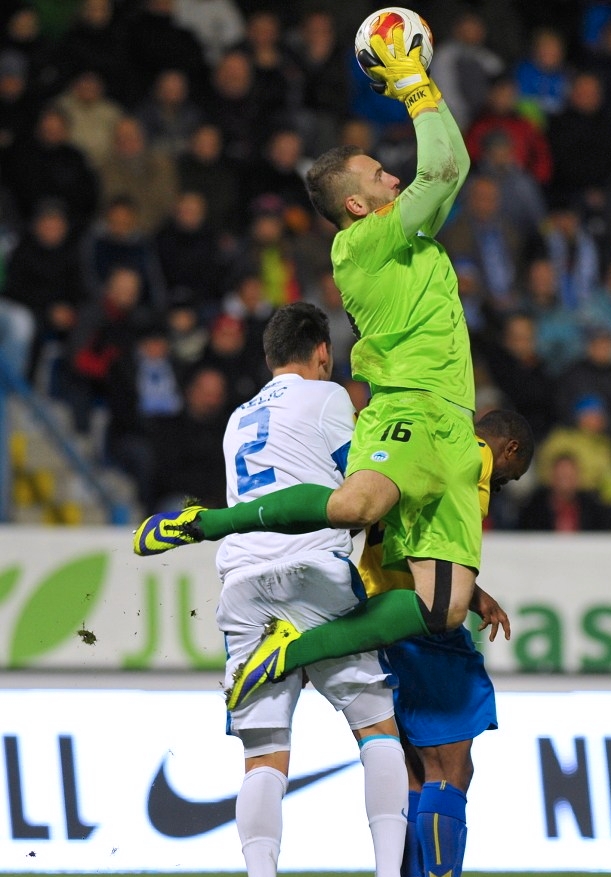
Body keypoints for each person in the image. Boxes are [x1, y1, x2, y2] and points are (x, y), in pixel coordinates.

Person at [134, 30, 497, 720]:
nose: (394, 178)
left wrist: (418, 90)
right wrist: (412, 83)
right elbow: (445, 169)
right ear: (356, 206)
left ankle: (288, 651)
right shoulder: (360, 244)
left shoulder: (408, 239)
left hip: (454, 424)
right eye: (379, 176)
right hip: (407, 408)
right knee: (356, 506)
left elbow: (447, 167)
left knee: (443, 609)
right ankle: (207, 522)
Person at [216, 302, 419, 877]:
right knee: (377, 730)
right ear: (322, 353)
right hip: (313, 574)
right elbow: (358, 493)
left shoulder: (237, 419)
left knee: (263, 757)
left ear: (269, 356)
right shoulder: (330, 398)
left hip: (243, 584)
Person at [359, 408, 534, 877]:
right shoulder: (471, 455)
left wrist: (475, 593)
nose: (497, 487)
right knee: (449, 769)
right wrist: (463, 594)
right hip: (422, 623)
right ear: (506, 450)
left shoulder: (405, 446)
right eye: (506, 478)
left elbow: (403, 532)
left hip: (379, 615)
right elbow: (432, 541)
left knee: (416, 771)